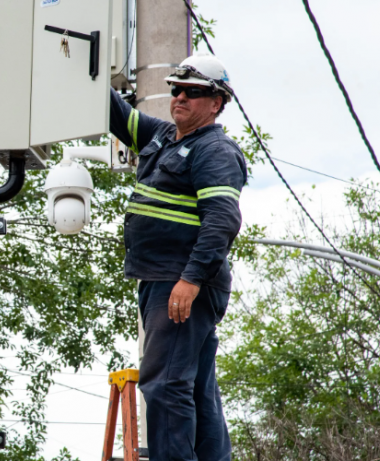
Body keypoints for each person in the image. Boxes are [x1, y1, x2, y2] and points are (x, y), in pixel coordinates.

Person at [109, 53, 246, 461]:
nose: (181, 97)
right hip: (162, 278)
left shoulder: (214, 150)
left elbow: (221, 220)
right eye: (176, 89)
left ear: (217, 102)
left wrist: (190, 280)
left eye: (194, 91)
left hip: (181, 281)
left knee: (165, 384)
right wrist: (86, 65)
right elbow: (116, 113)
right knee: (197, 386)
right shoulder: (162, 138)